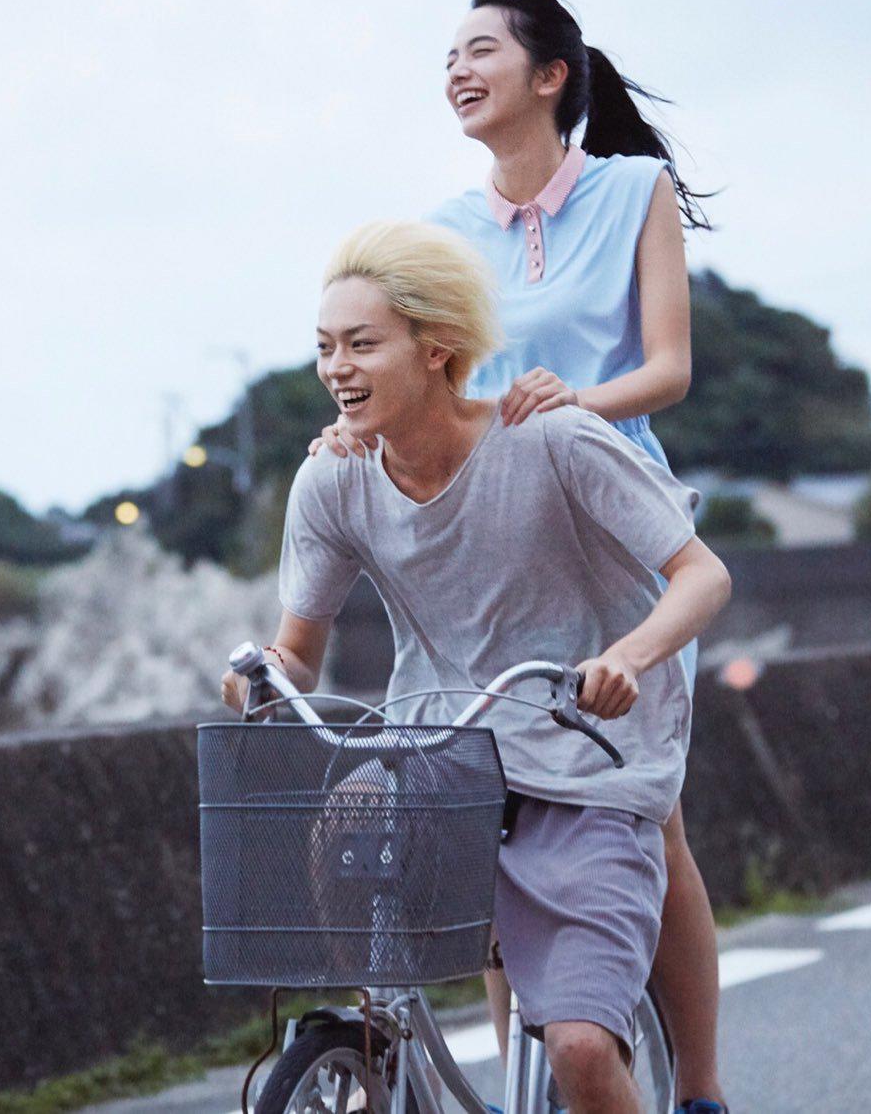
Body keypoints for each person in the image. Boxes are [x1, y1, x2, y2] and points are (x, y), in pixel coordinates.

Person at [314, 0, 728, 1113]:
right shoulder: (438, 235)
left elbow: (668, 369)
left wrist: (567, 407)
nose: (456, 70)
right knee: (484, 803)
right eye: (447, 55)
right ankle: (525, 1085)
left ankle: (697, 1085)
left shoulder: (633, 189)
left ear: (550, 75)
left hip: (612, 526)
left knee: (646, 810)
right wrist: (356, 419)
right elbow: (421, 372)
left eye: (480, 49)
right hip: (492, 544)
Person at [224, 220, 731, 1114]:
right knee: (343, 814)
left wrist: (626, 658)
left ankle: (674, 1073)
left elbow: (703, 574)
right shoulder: (333, 480)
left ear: (436, 349)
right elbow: (297, 650)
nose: (336, 367)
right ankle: (381, 1028)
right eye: (324, 347)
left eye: (362, 344)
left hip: (587, 753)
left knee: (578, 1050)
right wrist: (263, 676)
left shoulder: (552, 441)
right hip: (442, 750)